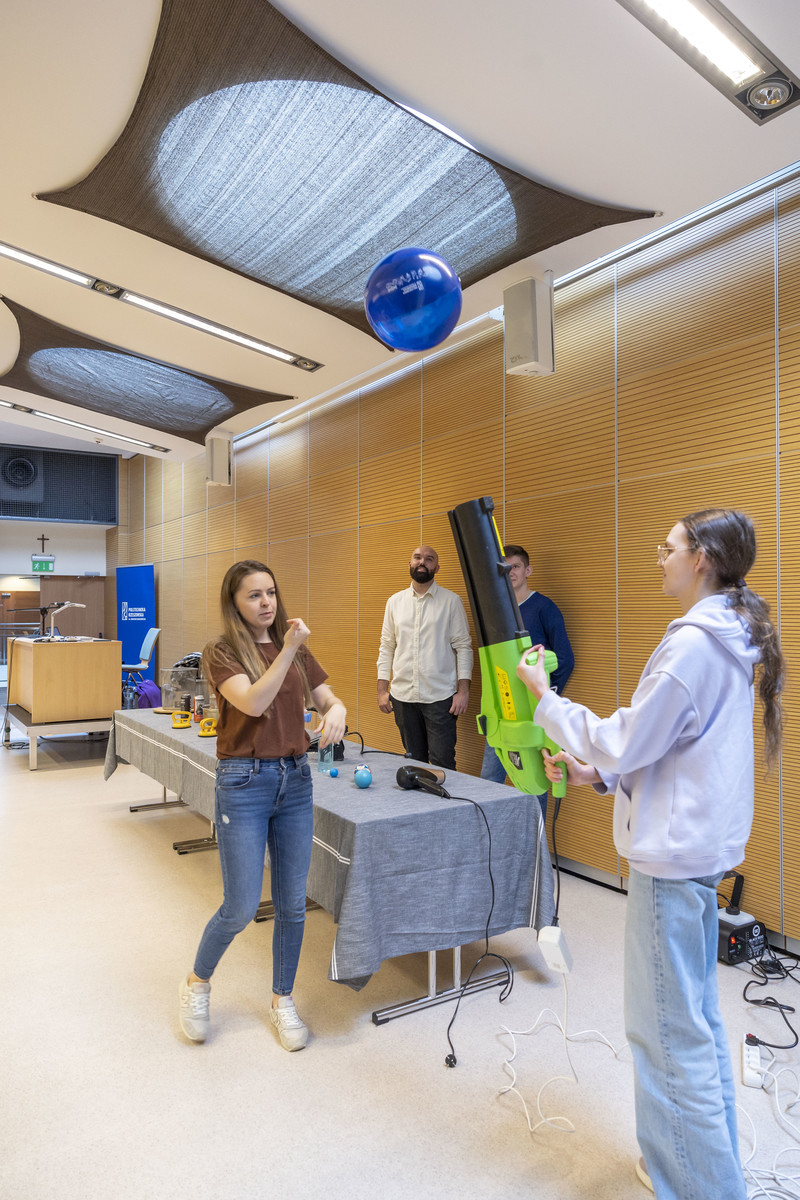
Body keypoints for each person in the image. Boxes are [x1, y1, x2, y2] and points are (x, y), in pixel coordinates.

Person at [516, 508, 785, 1200]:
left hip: (672, 863)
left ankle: (702, 1187)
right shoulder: (726, 634)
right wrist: (598, 775)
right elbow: (674, 746)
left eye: (667, 548)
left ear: (701, 559)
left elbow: (629, 738)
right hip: (695, 851)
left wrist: (546, 700)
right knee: (692, 1022)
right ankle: (701, 1170)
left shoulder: (696, 645)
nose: (658, 558)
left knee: (665, 1032)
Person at [178, 560, 346, 1050]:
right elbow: (253, 702)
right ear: (234, 602)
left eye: (270, 592)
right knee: (240, 905)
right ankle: (196, 983)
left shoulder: (296, 648)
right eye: (254, 595)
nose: (266, 602)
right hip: (244, 782)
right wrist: (288, 648)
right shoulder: (222, 651)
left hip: (295, 780)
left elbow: (327, 699)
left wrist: (336, 711)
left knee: (292, 904)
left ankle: (282, 998)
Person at [480, 543, 574, 818]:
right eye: (506, 567)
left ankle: (534, 843)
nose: (510, 572)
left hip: (534, 713)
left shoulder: (544, 607)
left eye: (516, 566)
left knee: (535, 784)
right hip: (501, 711)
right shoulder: (496, 612)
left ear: (528, 570)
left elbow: (565, 659)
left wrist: (543, 695)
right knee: (489, 780)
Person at [377, 544, 473, 770]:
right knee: (414, 763)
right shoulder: (394, 602)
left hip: (440, 698)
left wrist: (463, 692)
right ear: (410, 564)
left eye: (429, 559)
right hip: (403, 697)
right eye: (417, 557)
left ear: (436, 568)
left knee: (443, 764)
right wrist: (382, 690)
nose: (422, 562)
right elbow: (387, 646)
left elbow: (463, 647)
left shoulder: (451, 602)